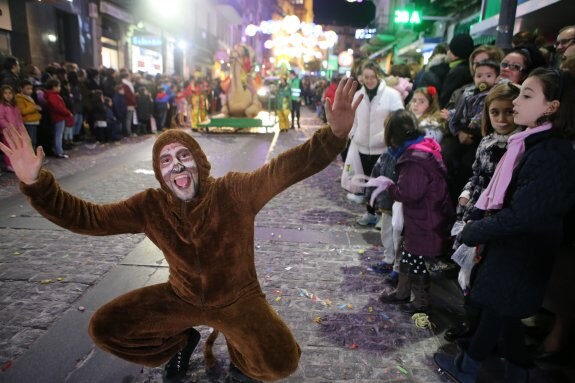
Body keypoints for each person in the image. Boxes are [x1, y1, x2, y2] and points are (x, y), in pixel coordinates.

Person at [0, 78, 362, 383]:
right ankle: (180, 342)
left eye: (183, 156)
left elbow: (285, 169)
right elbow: (88, 218)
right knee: (105, 327)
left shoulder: (233, 190)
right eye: (166, 161)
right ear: (160, 174)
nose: (176, 166)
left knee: (280, 361)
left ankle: (239, 354)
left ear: (199, 162)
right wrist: (36, 184)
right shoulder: (150, 205)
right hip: (181, 298)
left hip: (237, 300)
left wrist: (333, 136)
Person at [433, 68, 575, 382]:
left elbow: (524, 215)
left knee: (497, 310)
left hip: (521, 252)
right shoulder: (529, 143)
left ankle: (466, 367)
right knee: (503, 310)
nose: (516, 104)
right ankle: (518, 369)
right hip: (515, 251)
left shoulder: (550, 153)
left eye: (527, 95)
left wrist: (475, 230)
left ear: (551, 106)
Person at [445, 82, 522, 343]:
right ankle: (471, 323)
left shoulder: (522, 147)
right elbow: (478, 175)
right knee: (466, 274)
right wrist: (466, 195)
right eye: (495, 112)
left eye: (508, 112)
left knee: (487, 277)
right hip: (476, 214)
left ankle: (486, 333)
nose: (501, 119)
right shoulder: (487, 142)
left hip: (499, 222)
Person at [370, 110, 453, 314]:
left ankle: (421, 301)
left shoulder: (413, 159)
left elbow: (408, 193)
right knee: (407, 255)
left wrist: (389, 186)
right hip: (427, 215)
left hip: (424, 218)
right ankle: (402, 291)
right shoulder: (423, 149)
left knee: (415, 260)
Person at [345, 60, 404, 227]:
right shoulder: (358, 95)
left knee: (382, 182)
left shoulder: (391, 95)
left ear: (378, 76)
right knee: (367, 183)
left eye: (372, 76)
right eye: (366, 77)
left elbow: (398, 118)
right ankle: (370, 213)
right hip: (362, 145)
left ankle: (382, 215)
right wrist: (353, 135)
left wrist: (387, 137)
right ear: (362, 78)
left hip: (384, 147)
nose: (369, 80)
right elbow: (353, 119)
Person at [440, 34, 475, 107]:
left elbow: (446, 97)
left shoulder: (457, 72)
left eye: (449, 49)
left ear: (454, 52)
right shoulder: (471, 67)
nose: (447, 52)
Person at [44, 78, 74, 159]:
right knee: (58, 135)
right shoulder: (53, 96)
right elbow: (58, 107)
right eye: (58, 86)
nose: (60, 88)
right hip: (58, 117)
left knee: (58, 134)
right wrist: (68, 113)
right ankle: (59, 151)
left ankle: (58, 150)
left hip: (57, 117)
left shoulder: (50, 96)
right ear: (54, 87)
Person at [0, 85, 24, 172]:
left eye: (10, 93)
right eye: (5, 93)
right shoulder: (2, 106)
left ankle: (16, 163)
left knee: (17, 148)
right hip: (8, 132)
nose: (8, 95)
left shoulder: (14, 105)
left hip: (17, 131)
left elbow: (19, 118)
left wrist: (21, 128)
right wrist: (9, 127)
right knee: (9, 148)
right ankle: (9, 164)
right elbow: (1, 119)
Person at [15, 80, 42, 149]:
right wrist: (34, 108)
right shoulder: (20, 99)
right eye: (28, 88)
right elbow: (22, 111)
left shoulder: (29, 97)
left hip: (34, 121)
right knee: (30, 140)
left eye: (31, 89)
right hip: (28, 122)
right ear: (21, 89)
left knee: (34, 140)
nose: (30, 90)